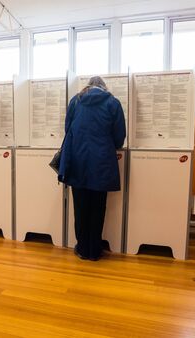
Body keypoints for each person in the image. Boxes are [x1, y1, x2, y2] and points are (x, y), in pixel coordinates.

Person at [58, 76, 126, 261]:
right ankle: (94, 250)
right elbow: (119, 137)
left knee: (80, 207)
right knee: (98, 207)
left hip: (77, 159)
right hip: (102, 162)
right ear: (104, 87)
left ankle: (82, 249)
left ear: (87, 85)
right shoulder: (113, 103)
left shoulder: (75, 100)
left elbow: (67, 129)